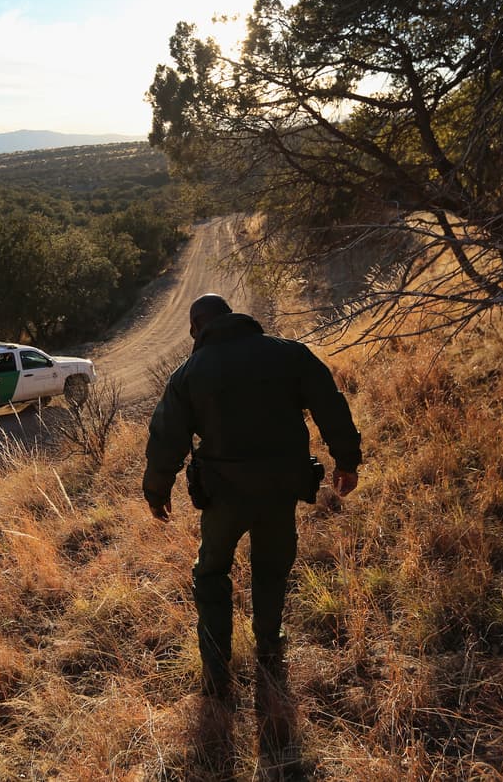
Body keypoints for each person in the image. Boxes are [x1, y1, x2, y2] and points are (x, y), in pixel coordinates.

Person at [143, 293, 361, 699]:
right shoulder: (288, 354)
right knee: (271, 566)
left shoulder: (189, 374)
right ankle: (270, 645)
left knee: (210, 573)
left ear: (196, 328)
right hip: (281, 488)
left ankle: (216, 668)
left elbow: (165, 439)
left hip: (224, 494)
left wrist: (156, 493)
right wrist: (346, 460)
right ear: (235, 318)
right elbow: (330, 404)